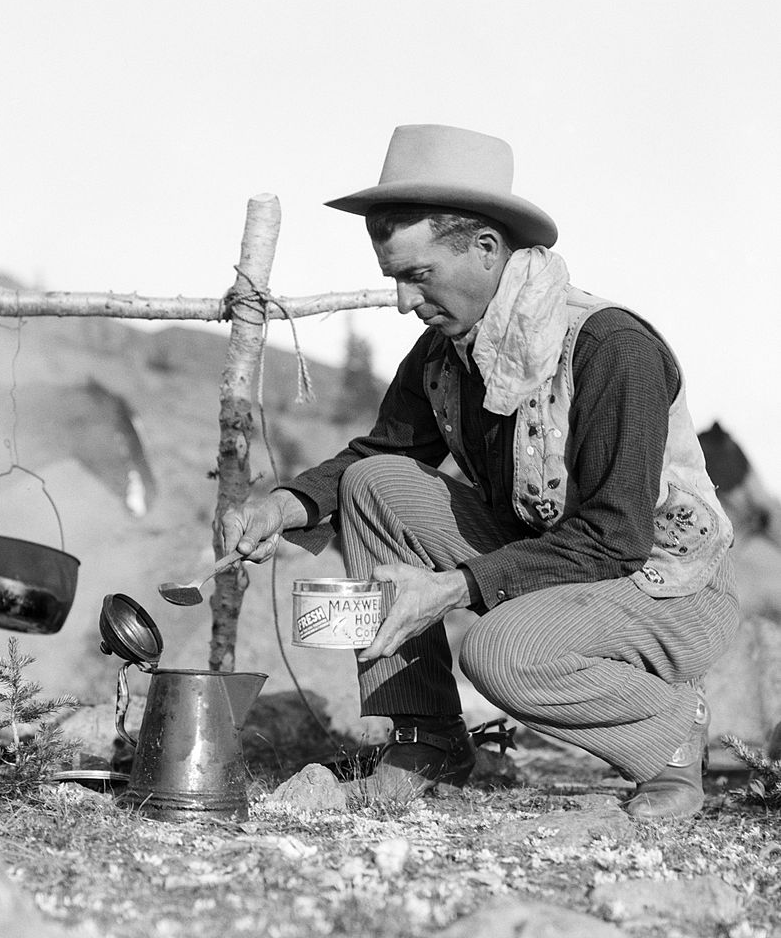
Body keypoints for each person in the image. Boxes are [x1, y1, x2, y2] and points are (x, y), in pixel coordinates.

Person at [220, 124, 738, 818]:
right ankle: (425, 741)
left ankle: (672, 736)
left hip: (664, 590)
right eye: (394, 280)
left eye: (417, 276)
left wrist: (454, 588)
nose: (404, 302)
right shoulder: (441, 353)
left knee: (499, 651)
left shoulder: (611, 348)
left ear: (487, 250)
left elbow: (616, 538)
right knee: (370, 487)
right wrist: (282, 507)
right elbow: (376, 458)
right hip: (558, 568)